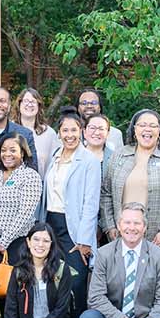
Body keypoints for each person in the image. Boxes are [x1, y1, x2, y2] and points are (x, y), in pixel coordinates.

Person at [100, 110, 160, 261]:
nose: (147, 129)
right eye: (142, 125)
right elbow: (106, 193)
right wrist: (109, 226)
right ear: (134, 129)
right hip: (122, 236)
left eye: (153, 126)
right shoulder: (119, 155)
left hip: (158, 241)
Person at [4, 223, 83, 318]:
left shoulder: (61, 270)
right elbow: (10, 312)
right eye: (36, 239)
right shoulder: (18, 271)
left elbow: (60, 310)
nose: (40, 244)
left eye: (46, 241)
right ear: (28, 242)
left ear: (52, 244)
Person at [42, 113, 102, 289]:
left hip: (74, 228)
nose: (70, 135)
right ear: (59, 133)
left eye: (74, 130)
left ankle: (77, 317)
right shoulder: (55, 156)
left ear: (81, 131)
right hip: (51, 224)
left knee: (74, 281)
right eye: (65, 130)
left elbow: (91, 203)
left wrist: (84, 240)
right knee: (52, 279)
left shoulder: (89, 160)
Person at [0, 134, 43, 265]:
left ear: (22, 153)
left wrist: (3, 242)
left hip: (16, 244)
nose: (7, 154)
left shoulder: (30, 176)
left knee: (13, 283)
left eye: (13, 150)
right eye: (3, 150)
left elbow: (25, 214)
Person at [18, 87, 60, 170]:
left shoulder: (49, 133)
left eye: (33, 101)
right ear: (19, 104)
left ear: (39, 106)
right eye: (26, 101)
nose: (29, 104)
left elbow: (56, 164)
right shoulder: (9, 129)